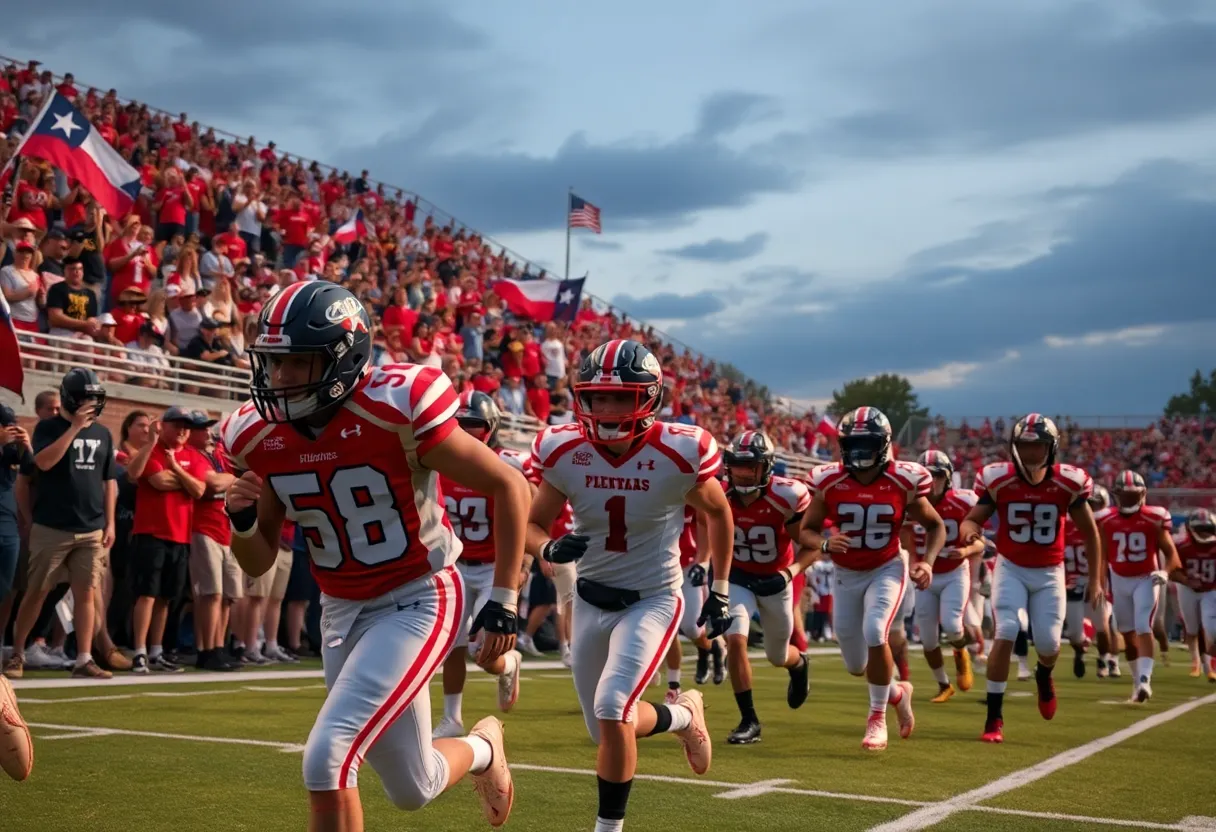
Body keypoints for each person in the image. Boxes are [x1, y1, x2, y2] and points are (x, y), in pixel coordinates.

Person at [220, 281, 525, 831]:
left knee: (327, 756)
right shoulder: (258, 434)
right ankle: (484, 748)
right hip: (340, 609)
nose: (280, 379)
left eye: (297, 364)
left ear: (343, 357)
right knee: (414, 785)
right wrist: (241, 521)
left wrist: (504, 596)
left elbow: (510, 484)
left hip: (419, 596)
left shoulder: (395, 406)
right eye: (273, 364)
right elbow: (258, 560)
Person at [524, 338, 731, 832]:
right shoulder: (564, 449)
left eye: (622, 397)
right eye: (598, 397)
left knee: (613, 708)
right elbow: (534, 525)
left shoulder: (680, 450)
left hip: (653, 599)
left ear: (650, 398)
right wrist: (547, 550)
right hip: (591, 598)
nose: (609, 408)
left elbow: (719, 513)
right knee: (607, 729)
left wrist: (719, 588)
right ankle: (683, 717)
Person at [798, 407, 942, 751]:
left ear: (884, 445)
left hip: (886, 566)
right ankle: (897, 692)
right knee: (855, 664)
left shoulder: (903, 479)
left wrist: (929, 563)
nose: (860, 451)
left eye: (868, 443)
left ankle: (877, 717)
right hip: (846, 574)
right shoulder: (829, 480)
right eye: (854, 443)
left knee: (876, 630)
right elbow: (806, 530)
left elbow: (935, 525)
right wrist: (824, 543)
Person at [960, 414, 1101, 744]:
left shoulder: (1068, 482)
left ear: (1051, 449)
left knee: (1050, 643)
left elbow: (1091, 534)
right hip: (1011, 567)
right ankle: (994, 716)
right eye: (1025, 446)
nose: (1032, 454)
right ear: (1014, 448)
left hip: (1051, 572)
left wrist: (1095, 580)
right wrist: (969, 531)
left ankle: (1044, 673)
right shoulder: (999, 480)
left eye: (1038, 447)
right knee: (1007, 629)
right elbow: (972, 519)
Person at [2, 368, 116, 680]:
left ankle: (83, 658)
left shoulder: (104, 433)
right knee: (37, 592)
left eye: (95, 398)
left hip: (91, 526)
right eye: (87, 398)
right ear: (71, 398)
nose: (91, 404)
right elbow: (43, 462)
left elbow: (109, 481)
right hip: (53, 525)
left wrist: (110, 522)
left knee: (86, 593)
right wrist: (75, 428)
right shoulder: (49, 427)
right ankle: (18, 653)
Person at [434, 391, 528, 738]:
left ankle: (508, 665)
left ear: (490, 428)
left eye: (474, 424)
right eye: (460, 424)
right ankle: (451, 717)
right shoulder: (439, 462)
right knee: (452, 644)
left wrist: (524, 564)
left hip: (493, 566)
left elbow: (525, 519)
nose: (467, 431)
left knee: (484, 655)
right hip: (455, 565)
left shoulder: (506, 465)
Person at [718, 431, 815, 745]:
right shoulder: (719, 494)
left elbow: (811, 544)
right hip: (738, 577)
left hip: (775, 580)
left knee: (776, 655)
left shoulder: (786, 496)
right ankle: (749, 720)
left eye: (751, 466)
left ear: (766, 467)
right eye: (738, 465)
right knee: (735, 640)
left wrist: (790, 572)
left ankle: (798, 664)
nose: (743, 473)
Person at [902, 450, 985, 703]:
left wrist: (966, 550)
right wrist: (915, 562)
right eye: (926, 475)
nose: (932, 481)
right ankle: (943, 684)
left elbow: (982, 544)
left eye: (937, 475)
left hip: (953, 572)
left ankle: (961, 655)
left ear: (947, 478)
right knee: (927, 639)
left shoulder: (963, 501)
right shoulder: (911, 503)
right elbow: (906, 537)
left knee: (951, 625)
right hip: (926, 576)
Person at [1096, 470, 1182, 703]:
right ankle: (1137, 683)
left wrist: (1165, 571)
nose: (1129, 499)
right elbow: (1102, 555)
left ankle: (1145, 679)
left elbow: (1172, 554)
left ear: (1143, 494)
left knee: (1144, 625)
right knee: (1126, 632)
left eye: (1134, 495)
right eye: (1125, 495)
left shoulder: (1155, 517)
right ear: (1116, 495)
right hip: (1119, 578)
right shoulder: (1105, 519)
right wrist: (1099, 582)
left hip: (1146, 578)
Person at [1063, 485, 1113, 678]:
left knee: (1101, 625)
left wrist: (1099, 583)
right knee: (1074, 634)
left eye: (1094, 505)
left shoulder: (1105, 526)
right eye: (1086, 504)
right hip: (1072, 582)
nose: (1089, 509)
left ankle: (1103, 658)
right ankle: (1079, 651)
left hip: (1095, 581)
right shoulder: (1065, 525)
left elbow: (1106, 559)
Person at [1173, 508, 1216, 682]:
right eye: (1200, 529)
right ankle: (1196, 661)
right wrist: (1186, 580)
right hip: (1188, 590)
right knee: (1191, 628)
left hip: (1211, 590)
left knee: (1211, 628)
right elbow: (1172, 571)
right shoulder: (1181, 546)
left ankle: (1210, 665)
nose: (1204, 534)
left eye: (1208, 529)